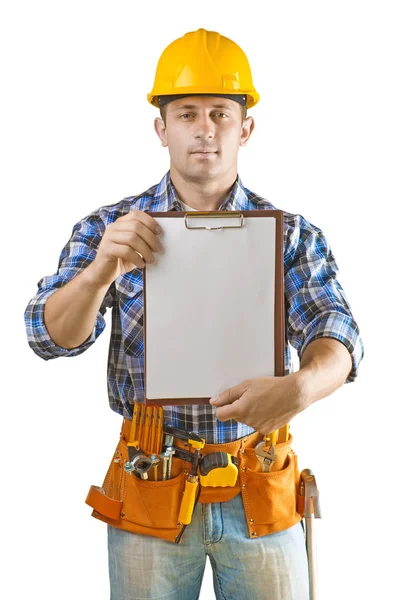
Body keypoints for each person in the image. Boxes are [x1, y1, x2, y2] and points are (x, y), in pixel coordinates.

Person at [24, 28, 364, 600]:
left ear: (245, 128)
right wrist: (100, 271)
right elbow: (49, 336)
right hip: (151, 479)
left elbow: (338, 332)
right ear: (162, 129)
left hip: (258, 480)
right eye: (186, 114)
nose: (204, 129)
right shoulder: (110, 228)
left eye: (220, 113)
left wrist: (302, 388)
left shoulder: (291, 236)